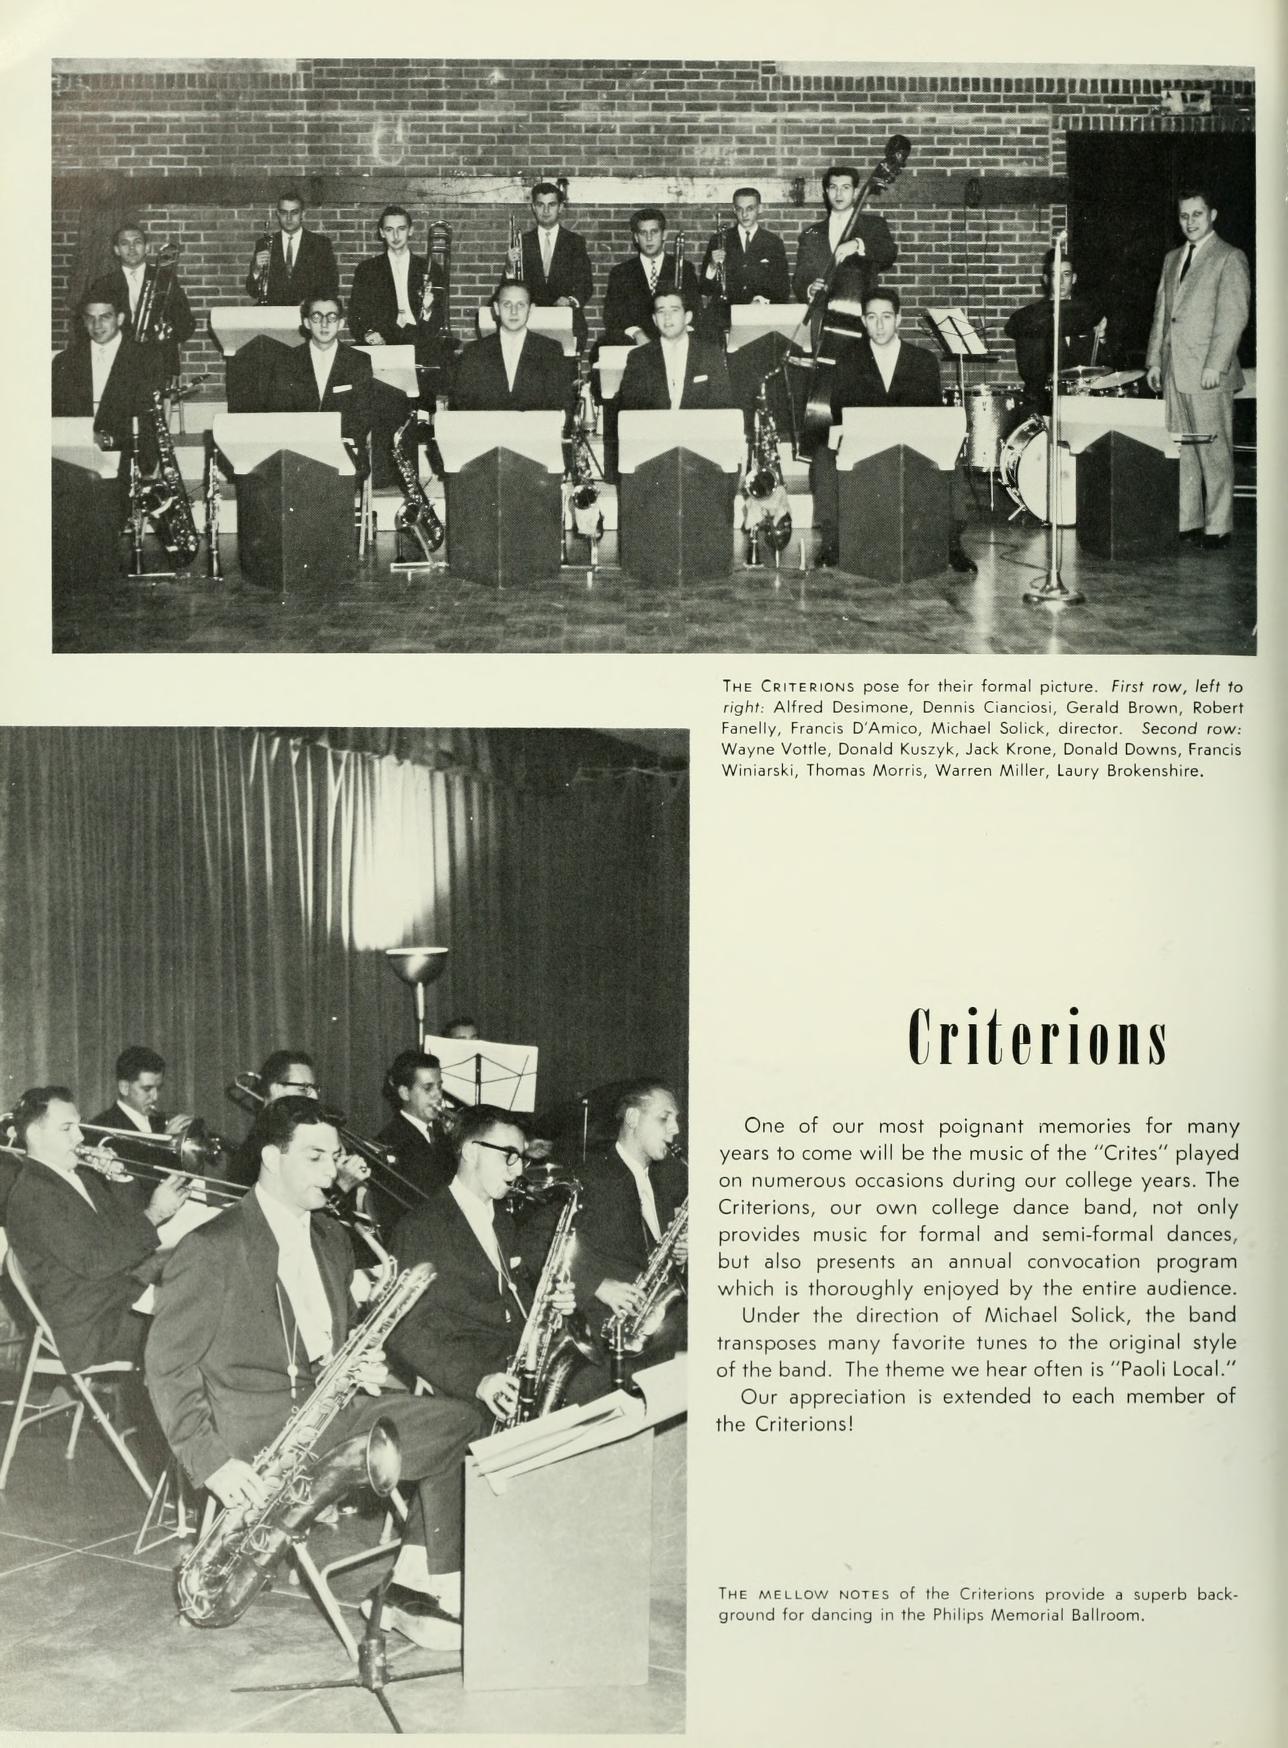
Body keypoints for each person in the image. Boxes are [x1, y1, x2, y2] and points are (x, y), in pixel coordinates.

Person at [145, 1097, 480, 1650]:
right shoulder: (212, 1245)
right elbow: (166, 1365)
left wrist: (358, 1359)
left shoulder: (329, 1238)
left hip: (330, 1409)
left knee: (465, 1424)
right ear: (273, 1158)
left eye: (335, 1158)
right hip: (256, 1431)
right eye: (316, 1158)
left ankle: (412, 1589)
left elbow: (326, 1338)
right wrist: (213, 1463)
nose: (332, 1173)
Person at [4, 1085, 189, 1375]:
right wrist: (153, 1214)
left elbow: (127, 1235)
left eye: (78, 1126)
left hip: (116, 1301)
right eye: (67, 1128)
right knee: (196, 1326)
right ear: (35, 1136)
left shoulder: (79, 1178)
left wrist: (120, 1179)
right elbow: (97, 1261)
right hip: (91, 1329)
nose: (79, 1137)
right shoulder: (33, 1194)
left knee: (202, 1301)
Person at [813, 287, 975, 575]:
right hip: (866, 447)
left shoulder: (923, 361)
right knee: (823, 459)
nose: (879, 325)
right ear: (863, 321)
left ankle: (952, 544)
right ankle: (832, 542)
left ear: (898, 319)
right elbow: (841, 411)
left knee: (951, 459)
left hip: (912, 447)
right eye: (872, 317)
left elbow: (932, 414)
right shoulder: (848, 360)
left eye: (886, 317)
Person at [1145, 187, 1251, 549]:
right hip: (1175, 369)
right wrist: (1154, 361)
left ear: (1213, 215)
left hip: (1207, 372)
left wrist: (1216, 365)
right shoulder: (1172, 258)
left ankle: (1218, 525)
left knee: (1214, 449)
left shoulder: (1229, 257)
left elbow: (1233, 316)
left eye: (1197, 215)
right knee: (1183, 448)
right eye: (1184, 216)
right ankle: (1188, 521)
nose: (1190, 222)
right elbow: (1163, 313)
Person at [568, 1079, 686, 1351]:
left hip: (656, 1328)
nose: (675, 1129)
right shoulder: (590, 1176)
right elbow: (535, 1242)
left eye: (676, 1120)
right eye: (664, 1118)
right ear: (633, 1118)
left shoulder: (663, 1180)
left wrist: (680, 1254)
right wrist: (596, 1285)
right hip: (608, 1331)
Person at [51, 290, 162, 467]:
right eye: (90, 318)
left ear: (120, 319)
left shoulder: (146, 359)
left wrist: (107, 440)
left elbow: (148, 423)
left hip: (127, 456)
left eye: (105, 317)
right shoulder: (64, 361)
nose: (97, 325)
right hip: (73, 458)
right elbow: (57, 415)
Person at [270, 292, 374, 463]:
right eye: (317, 317)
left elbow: (363, 414)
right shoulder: (286, 361)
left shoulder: (358, 361)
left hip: (343, 449)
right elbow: (279, 410)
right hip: (298, 450)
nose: (324, 324)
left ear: (341, 323)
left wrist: (337, 442)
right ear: (306, 323)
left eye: (332, 317)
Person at [86, 223, 196, 386]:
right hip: (118, 360)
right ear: (116, 250)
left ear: (147, 248)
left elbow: (187, 324)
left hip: (158, 359)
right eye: (124, 243)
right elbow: (90, 326)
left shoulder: (166, 280)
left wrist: (167, 331)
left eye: (137, 242)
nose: (131, 248)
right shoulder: (103, 284)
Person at [1004, 249, 1108, 404]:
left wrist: (1102, 336)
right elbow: (1029, 373)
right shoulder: (1031, 319)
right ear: (1046, 279)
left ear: (1074, 278)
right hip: (1047, 402)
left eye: (1066, 275)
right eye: (1054, 275)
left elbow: (1107, 364)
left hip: (1086, 400)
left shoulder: (1090, 314)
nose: (1060, 281)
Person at [450, 279, 568, 411]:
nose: (514, 311)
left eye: (521, 305)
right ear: (496, 308)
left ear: (531, 309)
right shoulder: (474, 352)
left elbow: (561, 406)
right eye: (507, 304)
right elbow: (461, 406)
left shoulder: (550, 351)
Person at [792, 165, 898, 311]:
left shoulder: (873, 225)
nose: (839, 194)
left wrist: (858, 244)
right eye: (834, 187)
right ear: (827, 192)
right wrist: (810, 289)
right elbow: (801, 276)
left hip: (861, 313)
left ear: (855, 192)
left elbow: (888, 253)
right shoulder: (811, 234)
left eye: (845, 187)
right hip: (823, 315)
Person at [348, 205, 448, 352]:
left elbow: (439, 315)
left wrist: (428, 309)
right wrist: (368, 333)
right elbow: (355, 313)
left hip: (420, 339)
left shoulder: (431, 268)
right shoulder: (367, 269)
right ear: (382, 233)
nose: (395, 236)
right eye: (389, 230)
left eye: (401, 229)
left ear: (411, 230)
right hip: (382, 340)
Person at [618, 288, 735, 411]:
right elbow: (628, 411)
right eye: (661, 311)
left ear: (687, 317)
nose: (667, 317)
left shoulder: (710, 354)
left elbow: (723, 406)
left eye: (674, 310)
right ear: (654, 319)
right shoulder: (639, 357)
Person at [601, 209, 701, 347]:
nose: (649, 238)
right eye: (643, 233)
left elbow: (695, 309)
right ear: (636, 237)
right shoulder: (621, 273)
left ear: (664, 234)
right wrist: (636, 333)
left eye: (654, 232)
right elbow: (612, 316)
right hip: (634, 344)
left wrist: (681, 335)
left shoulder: (684, 268)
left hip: (676, 340)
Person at [376, 1049, 455, 1215]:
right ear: (405, 1093)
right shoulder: (388, 1141)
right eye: (428, 1088)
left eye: (439, 1087)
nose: (438, 1095)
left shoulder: (445, 1133)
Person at [699, 188, 792, 316]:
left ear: (760, 208)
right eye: (739, 209)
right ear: (733, 210)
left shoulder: (773, 242)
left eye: (750, 208)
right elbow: (705, 288)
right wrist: (712, 266)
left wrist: (762, 301)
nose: (744, 214)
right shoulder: (718, 240)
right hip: (725, 316)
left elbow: (783, 288)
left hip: (760, 315)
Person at [520, 181, 593, 340]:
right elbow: (511, 285)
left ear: (560, 207)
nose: (546, 210)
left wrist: (570, 301)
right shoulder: (522, 242)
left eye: (551, 205)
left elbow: (585, 284)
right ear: (533, 207)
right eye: (540, 205)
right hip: (529, 323)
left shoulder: (575, 242)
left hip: (566, 322)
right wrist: (509, 267)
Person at [244, 190, 339, 307]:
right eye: (284, 212)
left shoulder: (320, 244)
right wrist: (256, 270)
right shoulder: (264, 244)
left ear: (303, 214)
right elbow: (253, 292)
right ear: (277, 214)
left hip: (307, 315)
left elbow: (332, 286)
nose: (288, 218)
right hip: (274, 315)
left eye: (294, 212)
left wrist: (311, 303)